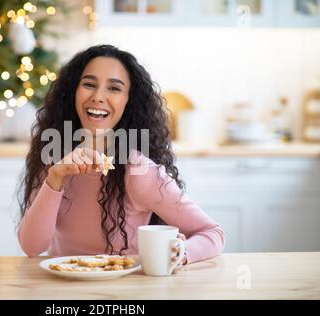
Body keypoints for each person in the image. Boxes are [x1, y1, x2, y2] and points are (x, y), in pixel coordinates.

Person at [17, 45, 225, 271]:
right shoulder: (54, 159)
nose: (98, 97)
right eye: (89, 84)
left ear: (129, 101)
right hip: (61, 289)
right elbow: (32, 246)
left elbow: (213, 233)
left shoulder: (139, 171)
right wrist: (55, 177)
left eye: (114, 88)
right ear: (73, 92)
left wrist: (180, 253)